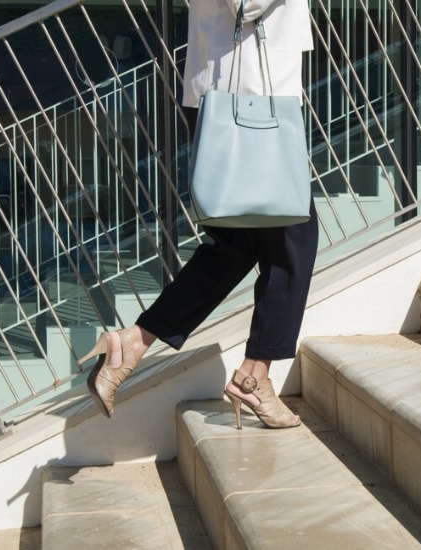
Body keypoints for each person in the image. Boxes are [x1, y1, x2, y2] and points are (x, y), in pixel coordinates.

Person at [77, 0, 317, 430]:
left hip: (232, 93)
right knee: (295, 238)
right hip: (247, 99)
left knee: (236, 246)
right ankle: (254, 376)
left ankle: (131, 344)